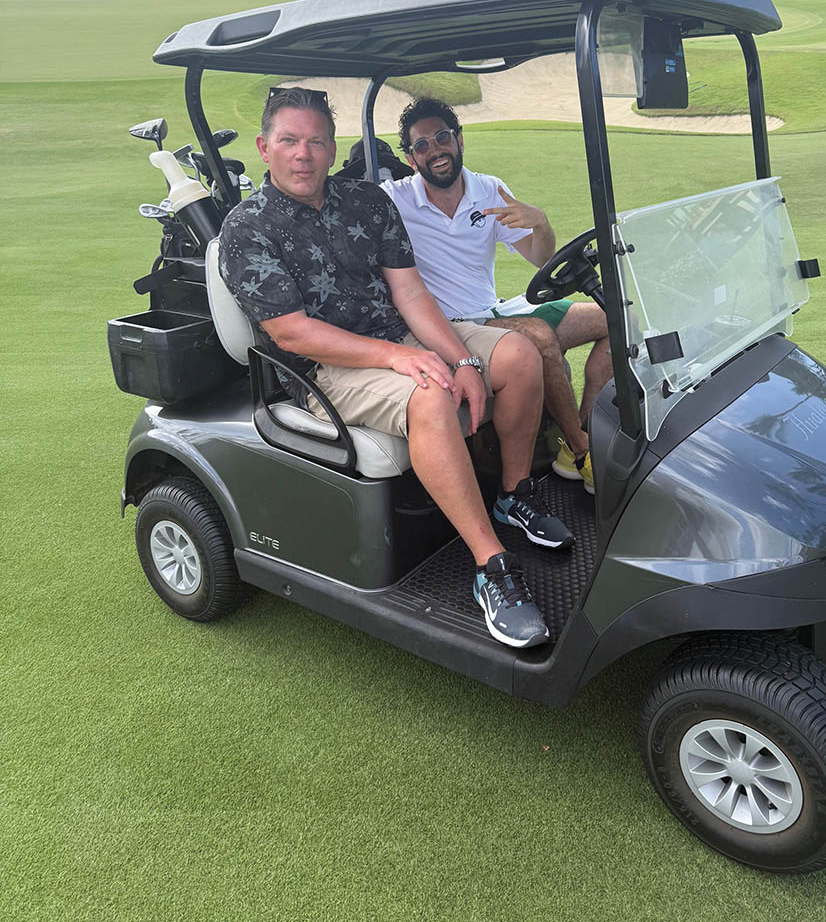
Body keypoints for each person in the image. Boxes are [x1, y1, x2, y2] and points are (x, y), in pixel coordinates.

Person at [218, 86, 575, 651]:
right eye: (289, 141)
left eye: (315, 141)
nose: (303, 154)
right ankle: (492, 567)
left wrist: (459, 356)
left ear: (333, 149)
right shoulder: (247, 228)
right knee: (430, 395)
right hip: (322, 369)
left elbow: (409, 293)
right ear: (265, 147)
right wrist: (404, 357)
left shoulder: (366, 201)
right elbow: (291, 331)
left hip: (399, 336)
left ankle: (513, 492)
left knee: (520, 355)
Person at [382, 98, 613, 496]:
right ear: (410, 157)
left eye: (442, 137)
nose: (434, 150)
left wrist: (540, 223)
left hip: (496, 310)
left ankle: (585, 426)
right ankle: (581, 453)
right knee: (538, 335)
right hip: (454, 326)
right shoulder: (394, 199)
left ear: (459, 140)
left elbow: (540, 257)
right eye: (422, 145)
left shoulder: (489, 190)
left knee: (615, 318)